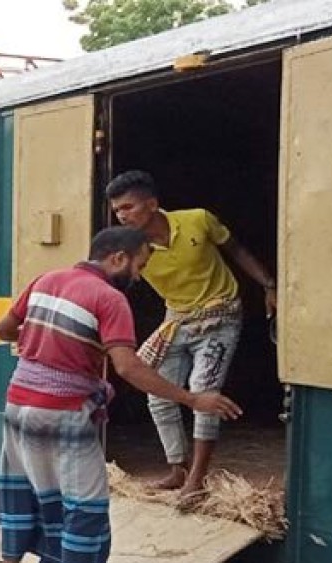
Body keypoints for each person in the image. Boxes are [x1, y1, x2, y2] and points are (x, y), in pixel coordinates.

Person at [0, 226, 241, 563]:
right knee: (83, 508)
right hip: (65, 412)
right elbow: (128, 367)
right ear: (118, 258)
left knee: (22, 495)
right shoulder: (109, 298)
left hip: (19, 405)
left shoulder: (45, 280)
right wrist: (193, 399)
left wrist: (43, 341)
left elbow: (2, 330)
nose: (139, 275)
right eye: (140, 264)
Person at [106, 170, 276, 499]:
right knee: (157, 393)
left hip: (220, 315)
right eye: (117, 210)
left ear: (152, 204)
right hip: (177, 319)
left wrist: (268, 285)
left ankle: (197, 479)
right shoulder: (129, 249)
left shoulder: (198, 220)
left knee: (202, 391)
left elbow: (236, 250)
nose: (121, 216)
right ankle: (178, 470)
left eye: (128, 207)